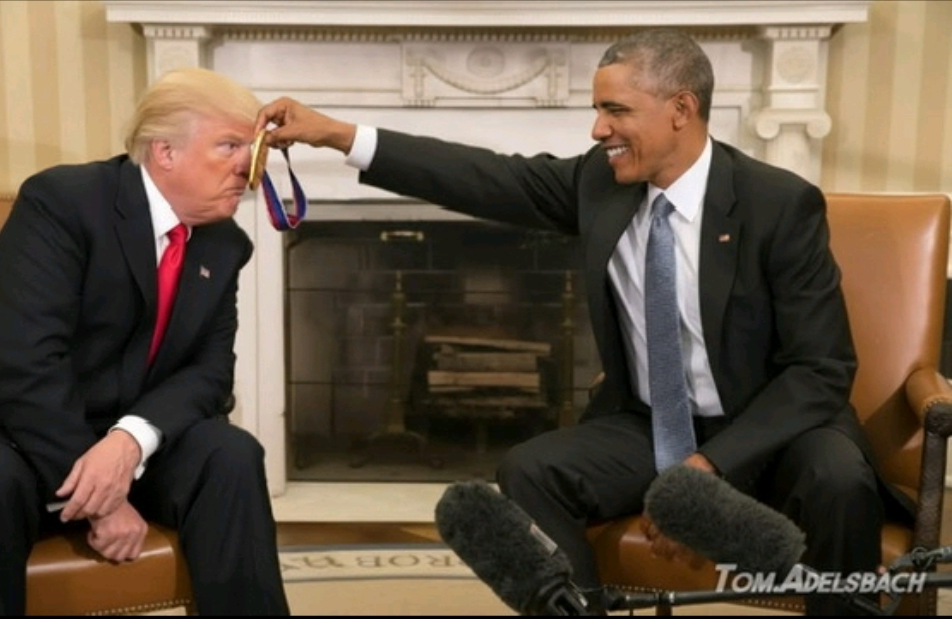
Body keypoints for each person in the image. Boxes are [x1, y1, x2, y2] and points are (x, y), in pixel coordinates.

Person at [255, 28, 912, 616]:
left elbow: (820, 369)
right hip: (650, 424)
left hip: (774, 428)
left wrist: (709, 465)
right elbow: (480, 176)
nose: (598, 129)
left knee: (836, 479)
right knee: (529, 471)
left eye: (615, 110)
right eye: (597, 110)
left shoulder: (778, 204)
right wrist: (337, 134)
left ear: (680, 109)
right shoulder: (598, 185)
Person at [0, 67, 290, 616]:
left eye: (253, 149)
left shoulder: (225, 244)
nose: (249, 166)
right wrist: (102, 501)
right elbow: (23, 363)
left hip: (121, 440)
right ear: (165, 152)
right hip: (6, 432)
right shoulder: (63, 202)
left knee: (230, 455)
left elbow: (209, 374)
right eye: (230, 145)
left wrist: (129, 442)